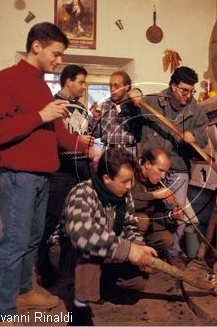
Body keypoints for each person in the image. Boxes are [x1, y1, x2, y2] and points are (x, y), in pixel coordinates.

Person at [0, 22, 92, 323]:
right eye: (56, 54)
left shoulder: (42, 86)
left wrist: (87, 146)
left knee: (32, 237)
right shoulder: (3, 79)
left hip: (42, 176)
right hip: (18, 176)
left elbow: (57, 134)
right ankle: (3, 312)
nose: (59, 61)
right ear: (37, 46)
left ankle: (25, 290)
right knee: (14, 242)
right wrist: (39, 115)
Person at [61, 147, 157, 325]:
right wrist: (128, 251)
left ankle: (97, 284)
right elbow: (81, 236)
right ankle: (79, 307)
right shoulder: (82, 193)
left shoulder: (124, 196)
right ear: (106, 179)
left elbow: (130, 227)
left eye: (132, 180)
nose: (130, 186)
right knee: (90, 250)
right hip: (68, 253)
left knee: (138, 281)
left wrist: (139, 247)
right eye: (125, 181)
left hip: (105, 251)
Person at [134, 66, 209, 270]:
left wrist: (195, 137)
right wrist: (133, 98)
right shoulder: (152, 101)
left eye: (191, 91)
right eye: (184, 90)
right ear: (173, 86)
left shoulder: (196, 109)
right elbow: (129, 112)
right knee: (145, 209)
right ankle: (140, 250)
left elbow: (204, 134)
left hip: (177, 167)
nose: (188, 95)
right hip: (150, 168)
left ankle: (173, 253)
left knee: (177, 212)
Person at [37, 64, 93, 288]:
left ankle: (69, 266)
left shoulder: (81, 107)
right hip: (60, 168)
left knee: (78, 217)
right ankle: (42, 267)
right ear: (68, 81)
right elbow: (52, 139)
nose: (83, 86)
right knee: (50, 219)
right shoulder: (52, 105)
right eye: (80, 81)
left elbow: (84, 136)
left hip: (81, 167)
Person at [133, 148, 185, 257]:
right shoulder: (131, 173)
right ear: (147, 164)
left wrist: (171, 216)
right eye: (160, 170)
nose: (163, 176)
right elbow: (128, 202)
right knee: (143, 219)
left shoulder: (157, 181)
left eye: (165, 172)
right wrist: (154, 195)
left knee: (166, 238)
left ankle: (142, 257)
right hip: (125, 224)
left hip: (144, 229)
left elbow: (155, 217)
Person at [89, 71, 139, 158]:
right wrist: (96, 118)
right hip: (108, 152)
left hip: (128, 152)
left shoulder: (135, 105)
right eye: (110, 86)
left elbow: (141, 131)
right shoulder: (104, 106)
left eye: (116, 86)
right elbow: (95, 134)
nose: (112, 89)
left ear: (126, 87)